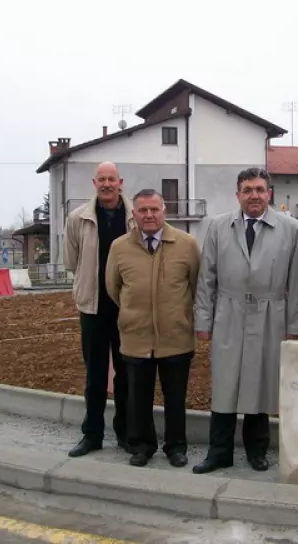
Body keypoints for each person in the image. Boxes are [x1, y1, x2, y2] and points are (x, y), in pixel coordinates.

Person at [192, 167, 298, 474]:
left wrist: (297, 326)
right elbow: (207, 278)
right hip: (228, 313)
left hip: (271, 313)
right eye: (247, 190)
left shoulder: (290, 228)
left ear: (268, 193)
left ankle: (257, 450)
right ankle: (219, 451)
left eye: (259, 189)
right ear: (238, 195)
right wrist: (202, 320)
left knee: (261, 381)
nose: (254, 195)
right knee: (225, 382)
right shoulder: (219, 226)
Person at [105, 189, 201, 468]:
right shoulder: (119, 247)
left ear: (164, 211)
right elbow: (114, 288)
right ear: (133, 214)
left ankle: (176, 447)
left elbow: (195, 286)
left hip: (176, 336)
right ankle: (141, 445)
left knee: (175, 397)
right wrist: (133, 313)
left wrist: (178, 315)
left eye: (154, 209)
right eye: (142, 210)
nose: (149, 215)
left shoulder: (187, 245)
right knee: (138, 396)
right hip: (136, 336)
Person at [64, 161, 134, 457]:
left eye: (112, 179)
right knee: (94, 374)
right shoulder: (77, 219)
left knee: (126, 374)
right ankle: (91, 434)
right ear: (95, 183)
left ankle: (126, 433)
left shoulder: (135, 218)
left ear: (121, 182)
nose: (107, 184)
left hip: (126, 308)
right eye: (101, 179)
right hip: (92, 307)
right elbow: (71, 262)